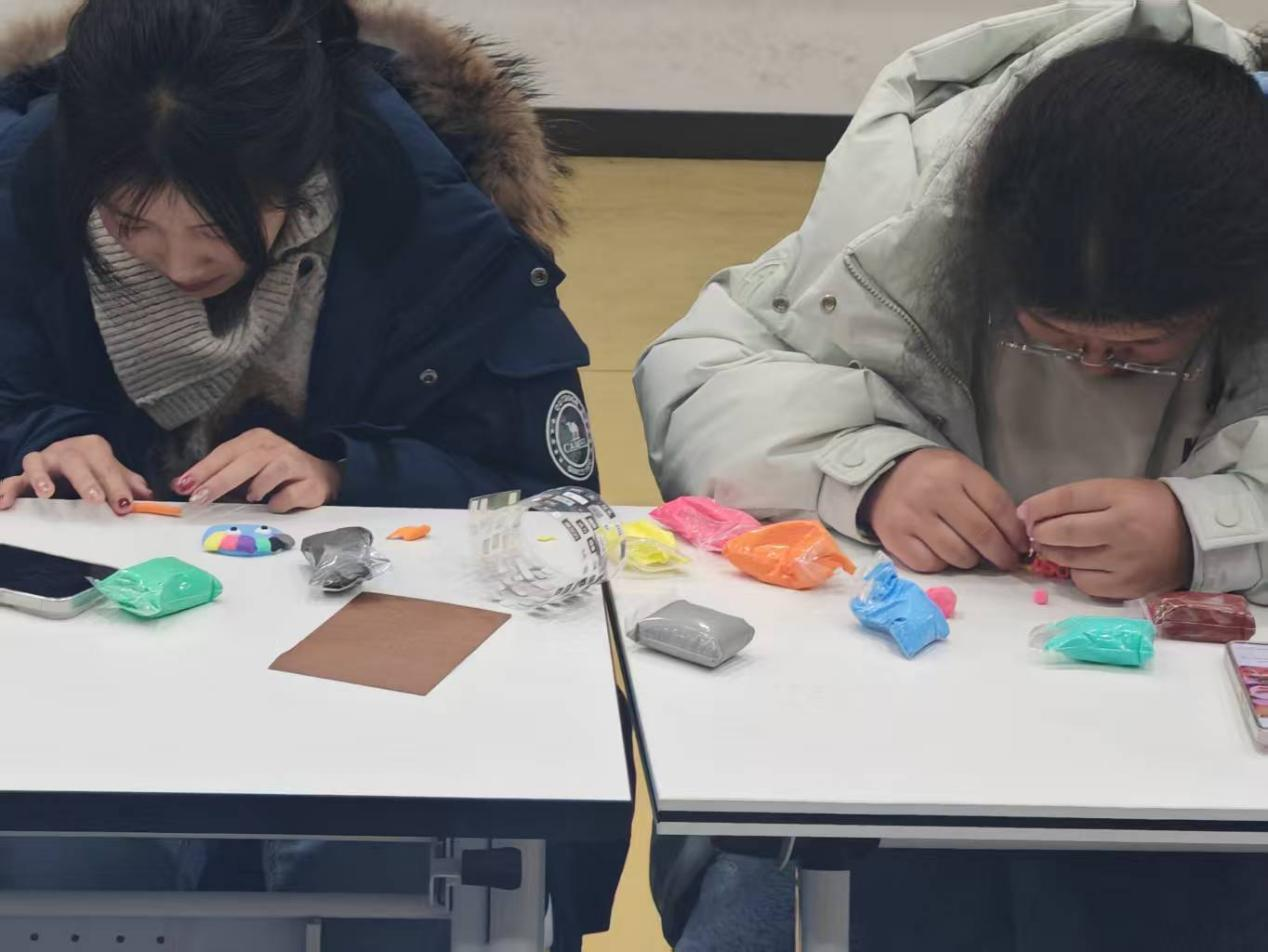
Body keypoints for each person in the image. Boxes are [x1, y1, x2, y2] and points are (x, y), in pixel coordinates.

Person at [636, 2, 1268, 949]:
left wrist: (1210, 526)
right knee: (763, 901)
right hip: (883, 738)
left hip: (1192, 778)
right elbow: (698, 376)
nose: (1095, 369)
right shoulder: (899, 230)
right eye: (1054, 336)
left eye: (1141, 350)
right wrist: (871, 470)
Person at [0, 1, 627, 949]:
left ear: (303, 166)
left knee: (372, 853)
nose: (181, 263)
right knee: (65, 848)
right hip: (98, 662)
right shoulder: (24, 187)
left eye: (223, 223)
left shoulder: (433, 219)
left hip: (361, 660)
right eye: (130, 224)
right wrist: (34, 437)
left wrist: (352, 468)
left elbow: (552, 501)